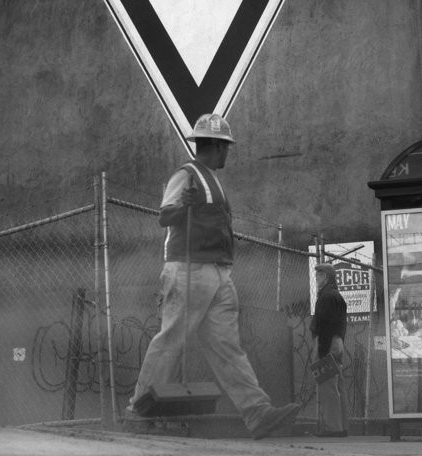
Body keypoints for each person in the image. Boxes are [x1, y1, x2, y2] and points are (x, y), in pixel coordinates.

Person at [126, 113, 300, 439]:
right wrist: (186, 207)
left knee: (228, 348)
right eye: (226, 147)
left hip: (218, 272)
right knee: (171, 340)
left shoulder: (212, 180)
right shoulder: (186, 175)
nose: (227, 153)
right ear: (218, 147)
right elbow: (165, 216)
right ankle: (138, 409)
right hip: (188, 270)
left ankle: (258, 413)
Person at [310, 263, 348, 437]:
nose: (316, 279)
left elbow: (325, 325)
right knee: (338, 386)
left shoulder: (325, 297)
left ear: (325, 277)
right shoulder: (337, 296)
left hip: (327, 343)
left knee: (327, 386)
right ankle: (342, 426)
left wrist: (322, 350)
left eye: (318, 276)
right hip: (337, 342)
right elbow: (338, 324)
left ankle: (333, 428)